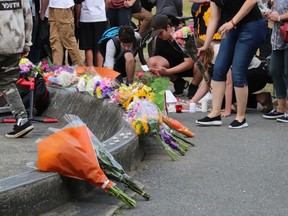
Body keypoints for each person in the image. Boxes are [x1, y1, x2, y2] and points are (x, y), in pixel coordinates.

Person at [196, 0, 267, 129]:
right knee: (218, 68)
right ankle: (215, 114)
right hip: (232, 28)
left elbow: (252, 1)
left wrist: (232, 22)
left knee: (238, 71)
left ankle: (240, 117)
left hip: (251, 26)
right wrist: (206, 45)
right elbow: (214, 18)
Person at [0, 0, 34, 138]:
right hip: (15, 44)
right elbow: (28, 18)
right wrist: (27, 43)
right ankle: (22, 119)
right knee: (7, 83)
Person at [146, 14, 202, 97]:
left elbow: (189, 63)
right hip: (173, 66)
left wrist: (168, 72)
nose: (159, 36)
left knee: (201, 59)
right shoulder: (160, 39)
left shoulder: (184, 35)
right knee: (152, 62)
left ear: (168, 27)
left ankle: (193, 86)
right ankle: (178, 82)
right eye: (157, 34)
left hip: (191, 67)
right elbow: (157, 60)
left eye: (160, 33)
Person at [262, 0, 288, 123]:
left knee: (287, 72)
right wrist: (269, 11)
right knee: (274, 70)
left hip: (286, 32)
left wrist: (278, 17)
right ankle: (281, 107)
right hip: (279, 35)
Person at [42, 0, 83, 66]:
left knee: (68, 40)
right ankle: (57, 69)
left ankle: (81, 68)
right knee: (55, 40)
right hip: (53, 6)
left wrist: (42, 11)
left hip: (63, 6)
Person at [75, 0, 108, 67]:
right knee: (99, 46)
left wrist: (78, 18)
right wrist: (103, 11)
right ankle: (100, 68)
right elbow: (108, 2)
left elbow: (78, 3)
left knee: (88, 47)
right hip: (100, 17)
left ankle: (90, 69)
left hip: (86, 17)